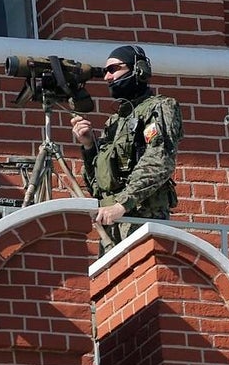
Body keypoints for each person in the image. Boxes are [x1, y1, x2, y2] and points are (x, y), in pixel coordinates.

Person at [70, 45, 183, 251]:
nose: (107, 77)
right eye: (105, 72)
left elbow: (159, 160)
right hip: (112, 227)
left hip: (143, 222)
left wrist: (121, 205)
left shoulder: (160, 107)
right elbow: (98, 185)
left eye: (113, 69)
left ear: (138, 70)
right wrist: (88, 145)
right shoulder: (114, 122)